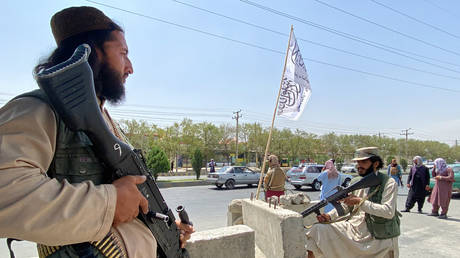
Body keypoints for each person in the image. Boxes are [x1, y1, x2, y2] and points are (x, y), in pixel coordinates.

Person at [0, 6, 193, 257]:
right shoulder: (39, 109)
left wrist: (165, 229)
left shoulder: (103, 119)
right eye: (123, 52)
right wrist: (109, 203)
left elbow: (128, 209)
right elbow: (7, 193)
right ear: (91, 52)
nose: (130, 67)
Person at [306, 147, 400, 258]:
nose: (359, 165)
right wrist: (329, 216)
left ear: (375, 164)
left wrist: (359, 202)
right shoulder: (356, 182)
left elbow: (388, 212)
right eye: (358, 162)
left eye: (364, 162)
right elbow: (346, 206)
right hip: (354, 228)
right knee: (317, 231)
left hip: (376, 235)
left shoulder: (388, 183)